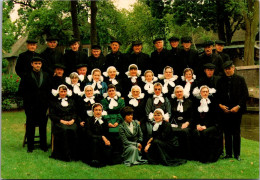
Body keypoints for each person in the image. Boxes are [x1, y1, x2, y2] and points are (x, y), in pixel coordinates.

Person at [216, 61, 248, 161]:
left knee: (236, 132)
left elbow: (245, 95)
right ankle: (228, 153)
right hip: (225, 110)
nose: (227, 71)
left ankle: (237, 154)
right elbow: (217, 96)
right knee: (227, 132)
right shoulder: (221, 80)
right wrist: (221, 106)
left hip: (236, 110)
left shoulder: (240, 80)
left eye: (229, 68)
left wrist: (238, 106)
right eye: (226, 69)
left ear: (233, 68)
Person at [19, 56, 51, 153]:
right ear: (32, 64)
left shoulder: (46, 75)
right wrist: (27, 102)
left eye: (39, 63)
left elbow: (49, 90)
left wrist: (47, 103)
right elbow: (21, 91)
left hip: (43, 105)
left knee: (43, 124)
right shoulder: (26, 76)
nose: (38, 65)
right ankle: (30, 146)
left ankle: (43, 145)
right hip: (30, 105)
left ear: (41, 65)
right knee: (30, 125)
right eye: (36, 63)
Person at [191, 85, 222, 163]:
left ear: (209, 93)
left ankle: (208, 156)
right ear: (200, 93)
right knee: (195, 132)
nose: (205, 93)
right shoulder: (196, 103)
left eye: (206, 91)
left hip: (212, 125)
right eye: (203, 91)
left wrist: (205, 126)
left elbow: (214, 118)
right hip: (199, 125)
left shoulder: (213, 103)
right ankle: (198, 156)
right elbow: (194, 116)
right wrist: (197, 124)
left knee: (205, 132)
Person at [49, 85, 78, 161]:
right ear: (58, 92)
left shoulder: (71, 101)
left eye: (64, 91)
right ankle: (64, 155)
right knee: (64, 130)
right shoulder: (54, 102)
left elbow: (75, 113)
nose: (63, 93)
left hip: (70, 121)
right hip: (59, 122)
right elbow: (52, 115)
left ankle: (74, 155)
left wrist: (73, 120)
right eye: (61, 91)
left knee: (74, 129)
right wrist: (62, 121)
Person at [101, 84, 125, 164]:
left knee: (118, 136)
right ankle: (109, 157)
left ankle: (118, 157)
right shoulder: (104, 101)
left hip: (119, 120)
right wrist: (108, 122)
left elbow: (122, 112)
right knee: (109, 136)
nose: (111, 92)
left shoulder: (121, 101)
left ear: (115, 91)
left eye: (113, 90)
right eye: (109, 91)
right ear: (107, 92)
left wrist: (117, 122)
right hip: (108, 121)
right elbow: (103, 112)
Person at [170, 85, 193, 159]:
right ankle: (175, 154)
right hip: (175, 124)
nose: (179, 93)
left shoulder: (189, 102)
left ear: (183, 92)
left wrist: (187, 123)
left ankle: (186, 155)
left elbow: (192, 116)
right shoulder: (171, 102)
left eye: (180, 91)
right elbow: (170, 115)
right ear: (175, 93)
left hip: (186, 123)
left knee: (184, 132)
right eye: (177, 92)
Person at [77, 85, 99, 162]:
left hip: (95, 121)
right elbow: (78, 113)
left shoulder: (97, 100)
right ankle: (84, 155)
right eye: (87, 91)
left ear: (93, 91)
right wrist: (80, 121)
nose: (89, 92)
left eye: (90, 90)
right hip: (84, 121)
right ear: (85, 92)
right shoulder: (80, 101)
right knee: (83, 132)